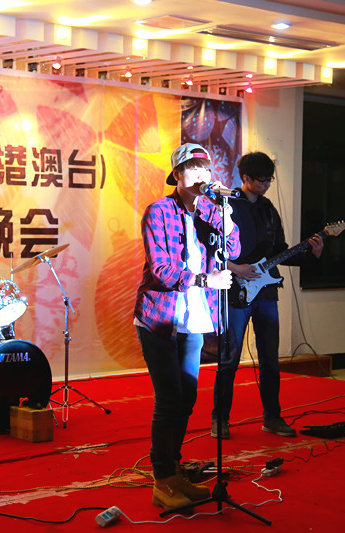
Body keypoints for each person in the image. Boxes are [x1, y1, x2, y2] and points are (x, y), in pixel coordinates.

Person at [133, 143, 240, 511]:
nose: (200, 175)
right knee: (169, 399)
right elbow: (161, 269)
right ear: (176, 175)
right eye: (191, 168)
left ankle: (174, 472)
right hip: (160, 318)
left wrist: (226, 216)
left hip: (193, 317)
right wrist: (206, 280)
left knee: (188, 398)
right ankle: (162, 479)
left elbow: (234, 250)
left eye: (204, 168)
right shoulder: (158, 211)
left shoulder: (211, 210)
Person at [211, 152, 323, 440]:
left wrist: (312, 254)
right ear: (245, 178)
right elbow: (211, 249)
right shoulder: (226, 205)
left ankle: (272, 417)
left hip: (267, 291)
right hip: (235, 289)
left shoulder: (269, 209)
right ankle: (220, 419)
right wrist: (236, 268)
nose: (266, 185)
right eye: (261, 180)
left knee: (270, 359)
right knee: (229, 358)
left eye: (269, 179)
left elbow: (280, 251)